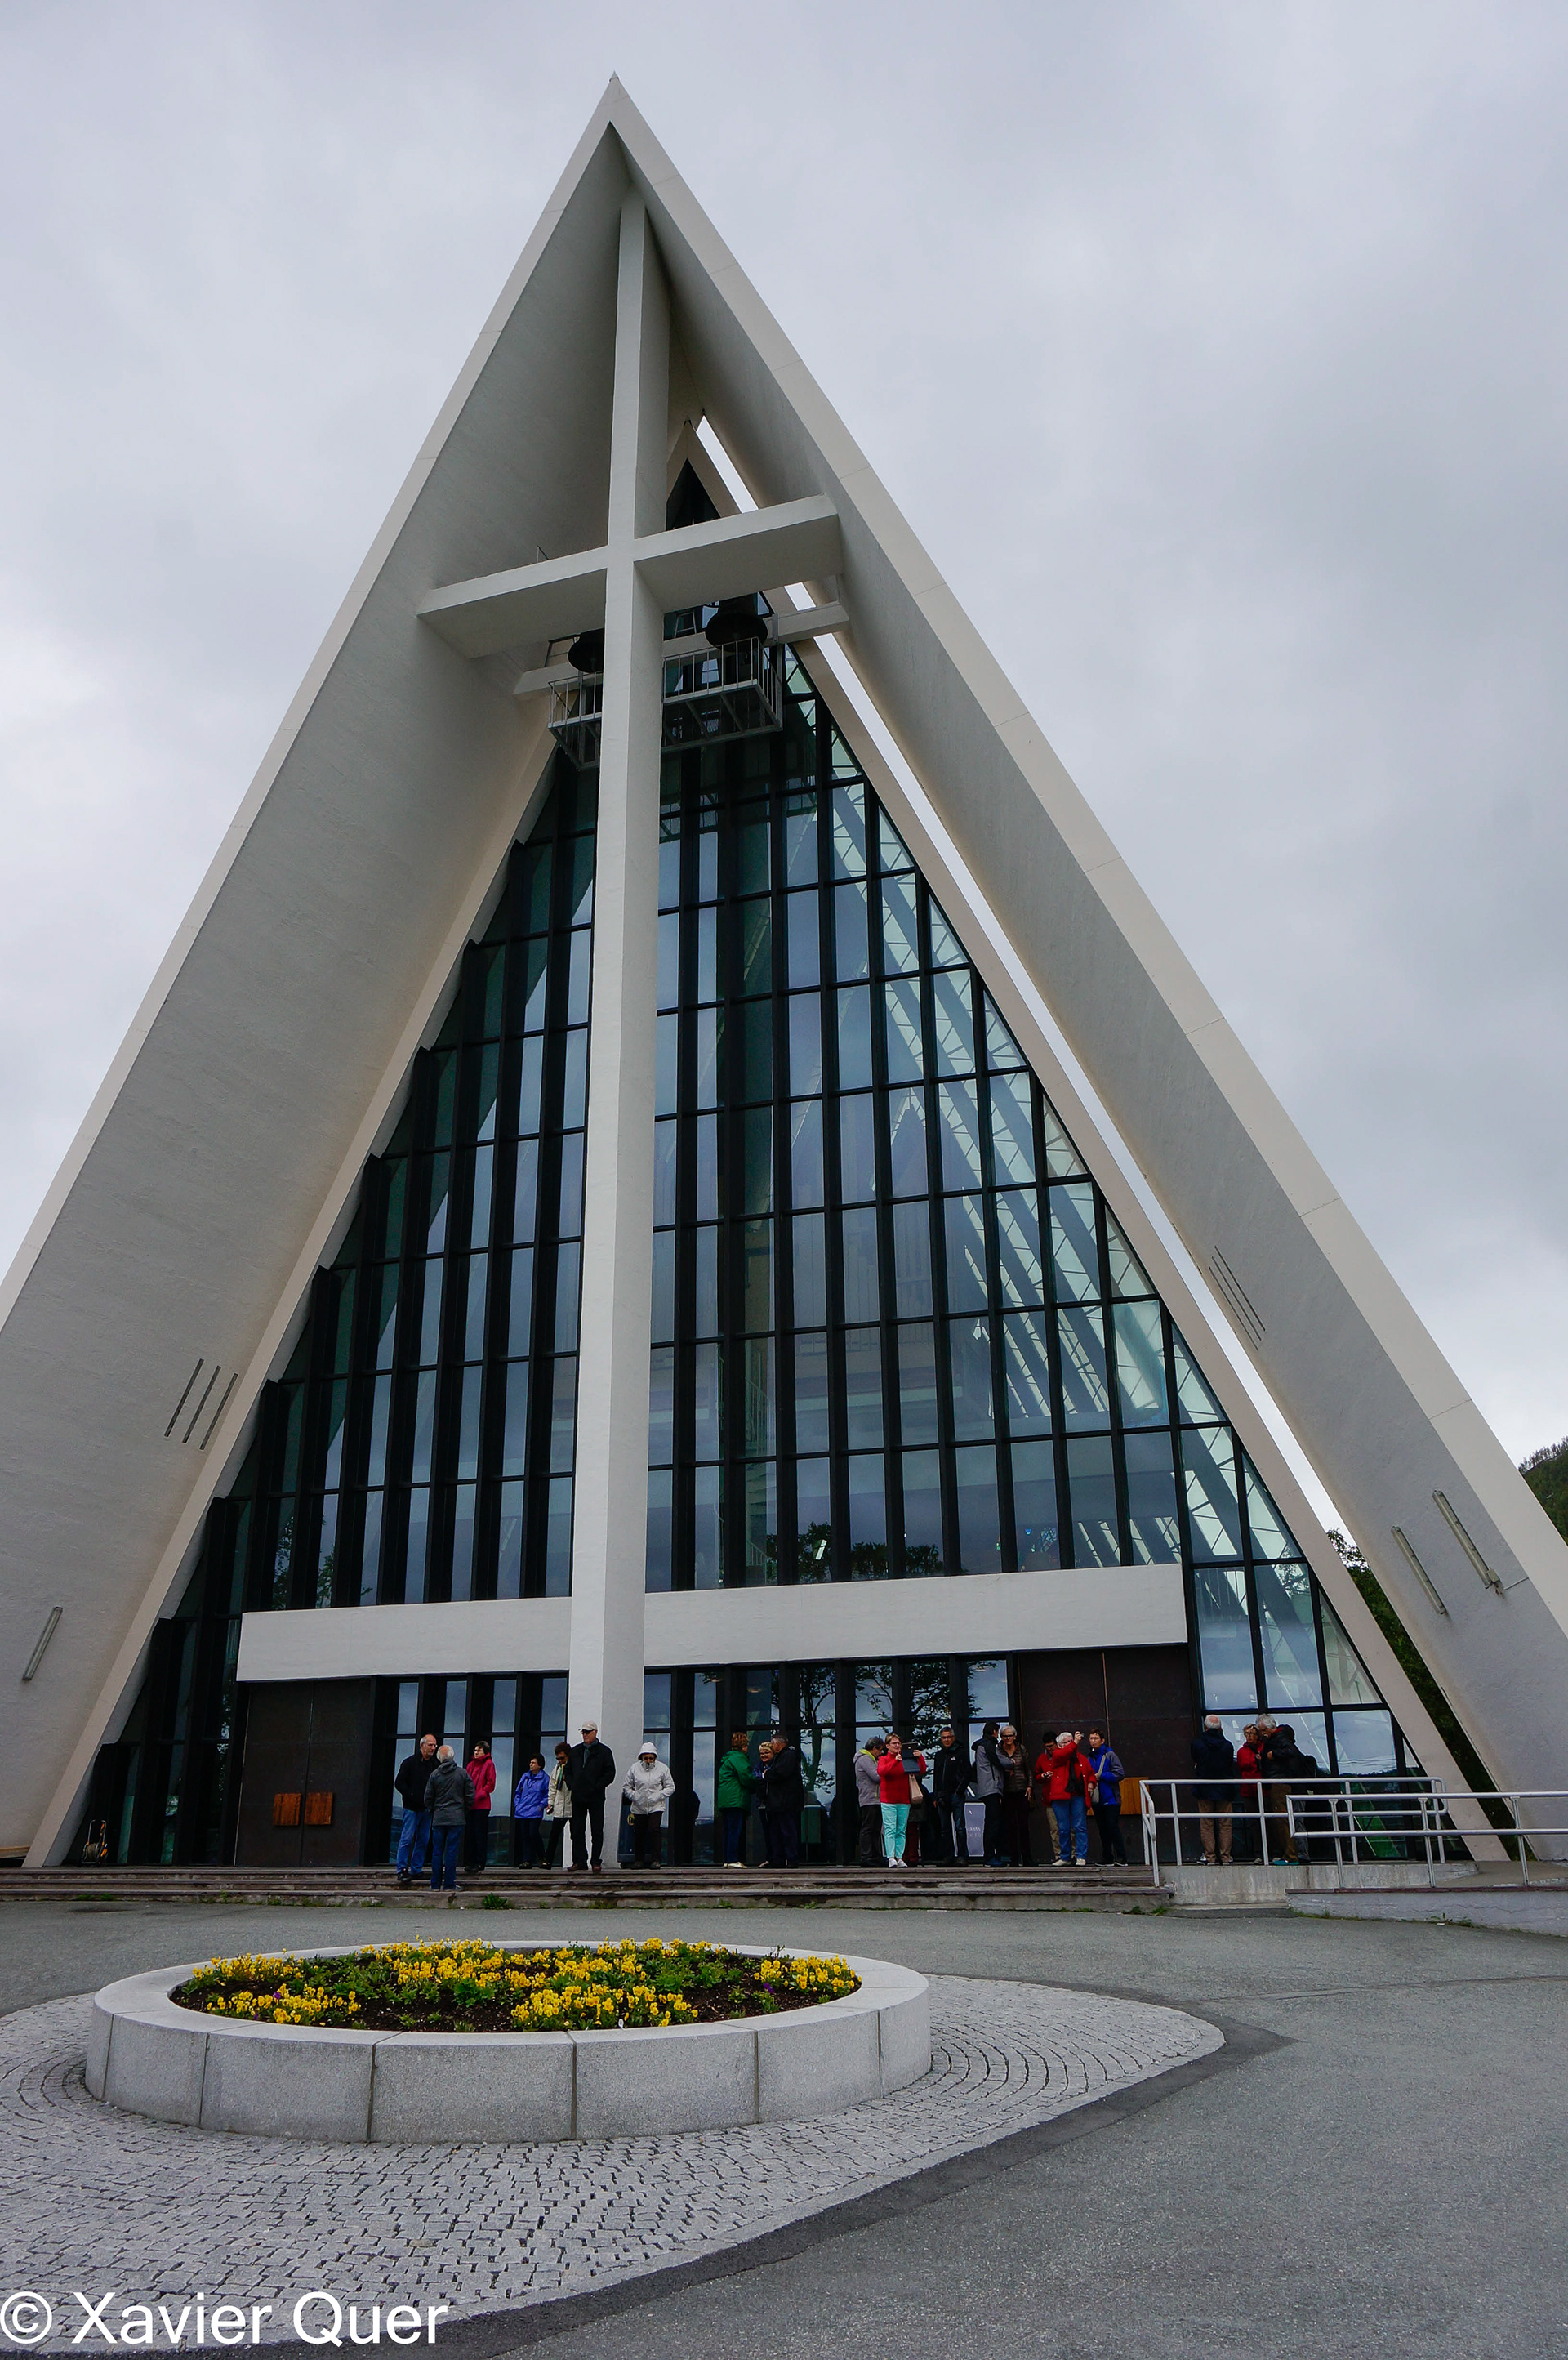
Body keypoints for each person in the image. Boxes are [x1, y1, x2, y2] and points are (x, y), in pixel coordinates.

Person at [1261, 1719, 1319, 1863]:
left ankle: (1295, 1855)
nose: (1262, 1734)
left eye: (1263, 1730)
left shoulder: (1281, 1741)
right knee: (1296, 1820)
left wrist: (1273, 1754)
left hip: (1290, 1786)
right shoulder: (1285, 1742)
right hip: (1295, 1786)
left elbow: (1290, 1754)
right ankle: (1300, 1854)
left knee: (1290, 1820)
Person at [565, 1720, 616, 1872]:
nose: (585, 1735)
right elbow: (568, 1771)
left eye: (588, 1732)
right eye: (583, 1732)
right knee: (576, 1830)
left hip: (596, 1797)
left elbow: (610, 1773)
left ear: (595, 1732)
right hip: (578, 1797)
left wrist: (597, 1786)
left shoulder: (604, 1752)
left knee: (597, 1830)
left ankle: (595, 1861)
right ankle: (579, 1861)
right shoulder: (575, 1751)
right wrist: (573, 1785)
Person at [1039, 1729, 1094, 1867]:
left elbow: (1090, 1773)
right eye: (1066, 1742)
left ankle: (1080, 1856)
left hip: (1077, 1795)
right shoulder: (1057, 1755)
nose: (1070, 1744)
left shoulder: (1081, 1758)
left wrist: (1091, 1783)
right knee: (1063, 1828)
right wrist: (1075, 1742)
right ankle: (1065, 1857)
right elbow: (1064, 1754)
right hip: (1060, 1796)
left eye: (1071, 1741)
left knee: (1080, 1827)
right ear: (1060, 1745)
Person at [424, 1743, 474, 1893]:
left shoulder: (434, 1775)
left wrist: (433, 1810)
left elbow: (428, 1798)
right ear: (452, 1756)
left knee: (437, 1851)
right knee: (452, 1851)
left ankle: (435, 1884)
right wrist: (464, 1810)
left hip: (439, 1817)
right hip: (456, 1817)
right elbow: (470, 1795)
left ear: (440, 1758)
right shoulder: (462, 1774)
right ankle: (449, 1884)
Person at [1190, 1713, 1237, 1865]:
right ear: (1220, 1728)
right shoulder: (1227, 1746)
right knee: (1225, 1824)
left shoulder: (1198, 1744)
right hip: (1224, 1789)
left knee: (1206, 1824)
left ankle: (1210, 1857)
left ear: (1205, 1727)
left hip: (1204, 1789)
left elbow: (1196, 1760)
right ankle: (1226, 1857)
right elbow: (1229, 1764)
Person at [623, 1740, 676, 1868]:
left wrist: (658, 1796)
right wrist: (635, 1796)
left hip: (656, 1806)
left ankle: (656, 1860)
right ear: (641, 1757)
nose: (648, 1761)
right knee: (639, 1833)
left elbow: (671, 1787)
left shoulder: (662, 1768)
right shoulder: (634, 1769)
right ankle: (638, 1860)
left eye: (651, 1758)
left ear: (655, 1757)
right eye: (646, 1758)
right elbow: (626, 1787)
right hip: (639, 1807)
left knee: (654, 1830)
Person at [876, 1733, 927, 1868]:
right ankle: (891, 1857)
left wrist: (920, 1757)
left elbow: (921, 1770)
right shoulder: (884, 1759)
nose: (897, 1746)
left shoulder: (906, 1759)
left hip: (904, 1800)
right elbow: (882, 1772)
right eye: (894, 1743)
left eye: (899, 1743)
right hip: (888, 1801)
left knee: (901, 1830)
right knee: (890, 1829)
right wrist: (895, 1761)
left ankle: (899, 1857)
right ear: (887, 1746)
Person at [394, 1732, 438, 1886]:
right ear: (422, 1745)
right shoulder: (410, 1763)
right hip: (411, 1808)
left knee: (423, 1840)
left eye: (435, 1745)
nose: (433, 1748)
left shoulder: (435, 1765)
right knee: (407, 1839)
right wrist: (411, 1795)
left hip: (427, 1809)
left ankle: (416, 1868)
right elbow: (399, 1783)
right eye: (430, 1745)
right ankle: (402, 1869)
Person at [761, 1729, 805, 1867]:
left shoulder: (787, 1756)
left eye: (773, 1743)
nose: (772, 1746)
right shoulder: (784, 1756)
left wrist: (767, 1774)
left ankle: (791, 1858)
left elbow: (780, 1773)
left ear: (778, 1744)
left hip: (785, 1803)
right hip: (779, 1803)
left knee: (787, 1831)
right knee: (777, 1832)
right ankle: (779, 1859)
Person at [715, 1729, 757, 1866]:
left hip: (726, 1800)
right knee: (735, 1830)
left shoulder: (728, 1758)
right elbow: (746, 1777)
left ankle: (728, 1859)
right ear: (743, 1746)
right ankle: (733, 1859)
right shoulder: (739, 1758)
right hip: (736, 1799)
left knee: (728, 1830)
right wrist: (758, 1784)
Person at [1086, 1727, 1127, 1867]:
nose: (1093, 1741)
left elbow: (1120, 1774)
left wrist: (1101, 1776)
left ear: (1102, 1740)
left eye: (1096, 1738)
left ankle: (1121, 1856)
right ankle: (1107, 1856)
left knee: (1112, 1826)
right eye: (1091, 1738)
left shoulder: (1110, 1755)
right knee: (1102, 1828)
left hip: (1111, 1798)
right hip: (1097, 1798)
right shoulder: (1089, 1757)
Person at [996, 1724, 1034, 1866]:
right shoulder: (998, 1750)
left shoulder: (1021, 1749)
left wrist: (1030, 1786)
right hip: (1007, 1791)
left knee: (1024, 1825)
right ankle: (1014, 1858)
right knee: (1010, 1827)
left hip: (1022, 1790)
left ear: (1015, 1736)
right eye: (1005, 1736)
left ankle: (1027, 1858)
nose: (1008, 1738)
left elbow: (1028, 1769)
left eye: (1010, 1736)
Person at [931, 1725, 969, 1863]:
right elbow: (936, 1776)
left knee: (960, 1828)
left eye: (948, 1737)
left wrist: (959, 1791)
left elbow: (967, 1773)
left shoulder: (961, 1753)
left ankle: (962, 1856)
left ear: (953, 1738)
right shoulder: (939, 1755)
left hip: (955, 1794)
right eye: (944, 1738)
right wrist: (936, 1795)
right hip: (942, 1795)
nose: (946, 1740)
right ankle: (948, 1856)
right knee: (945, 1829)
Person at [972, 1719, 1004, 1866]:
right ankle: (990, 1856)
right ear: (994, 1732)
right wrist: (1012, 1763)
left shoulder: (981, 1746)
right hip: (991, 1788)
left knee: (992, 1822)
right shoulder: (989, 1745)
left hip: (987, 1789)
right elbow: (1000, 1761)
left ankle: (992, 1855)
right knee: (993, 1823)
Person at [464, 1738, 497, 1875]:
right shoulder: (471, 1765)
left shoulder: (489, 1764)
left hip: (482, 1804)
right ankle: (470, 1861)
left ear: (485, 1752)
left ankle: (480, 1861)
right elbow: (466, 1781)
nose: (476, 1753)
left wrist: (482, 1793)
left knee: (480, 1834)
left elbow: (491, 1783)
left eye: (479, 1750)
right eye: (475, 1750)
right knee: (470, 1834)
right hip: (470, 1804)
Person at [512, 1753, 549, 1867]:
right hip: (522, 1811)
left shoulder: (545, 1778)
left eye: (533, 1763)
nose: (531, 1765)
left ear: (540, 1765)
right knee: (525, 1836)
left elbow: (548, 1794)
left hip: (535, 1811)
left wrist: (541, 1806)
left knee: (533, 1833)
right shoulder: (525, 1777)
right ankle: (527, 1860)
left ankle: (542, 1856)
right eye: (530, 1762)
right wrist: (517, 1805)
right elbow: (518, 1792)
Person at [854, 1734, 885, 1867]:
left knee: (876, 1829)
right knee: (868, 1828)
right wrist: (887, 1770)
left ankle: (876, 1856)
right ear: (874, 1748)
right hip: (869, 1799)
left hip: (876, 1799)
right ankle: (867, 1856)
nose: (881, 1754)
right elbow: (876, 1776)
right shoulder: (865, 1759)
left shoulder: (871, 1759)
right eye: (880, 1750)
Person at [1236, 1722, 1264, 1860]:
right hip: (1248, 1789)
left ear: (1257, 1736)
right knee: (1254, 1823)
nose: (1249, 1736)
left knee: (1268, 1821)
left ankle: (1273, 1852)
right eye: (1247, 1734)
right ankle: (1258, 1853)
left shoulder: (1263, 1748)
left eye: (1252, 1734)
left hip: (1262, 1789)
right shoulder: (1242, 1751)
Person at [541, 1741, 572, 1868]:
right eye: (558, 1758)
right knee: (554, 1835)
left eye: (562, 1758)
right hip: (559, 1807)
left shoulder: (573, 1768)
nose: (560, 1761)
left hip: (572, 1807)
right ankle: (548, 1860)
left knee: (576, 1835)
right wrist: (551, 1803)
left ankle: (579, 1861)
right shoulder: (557, 1769)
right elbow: (552, 1788)